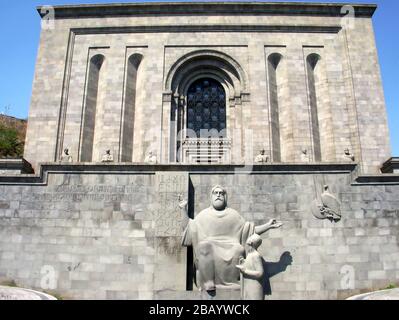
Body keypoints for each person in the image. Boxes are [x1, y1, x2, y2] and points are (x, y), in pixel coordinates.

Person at [179, 185, 282, 298]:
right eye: (216, 193)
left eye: (221, 193)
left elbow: (249, 231)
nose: (218, 195)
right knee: (204, 246)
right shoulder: (203, 215)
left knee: (239, 249)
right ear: (211, 197)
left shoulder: (234, 215)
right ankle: (209, 281)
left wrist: (268, 226)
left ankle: (231, 282)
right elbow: (188, 229)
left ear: (225, 197)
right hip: (209, 249)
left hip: (231, 249)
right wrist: (183, 209)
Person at [236, 233, 265, 300]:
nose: (249, 237)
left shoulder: (256, 255)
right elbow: (251, 266)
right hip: (248, 285)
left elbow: (260, 273)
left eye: (251, 237)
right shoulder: (250, 254)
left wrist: (245, 271)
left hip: (254, 288)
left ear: (251, 242)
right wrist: (244, 262)